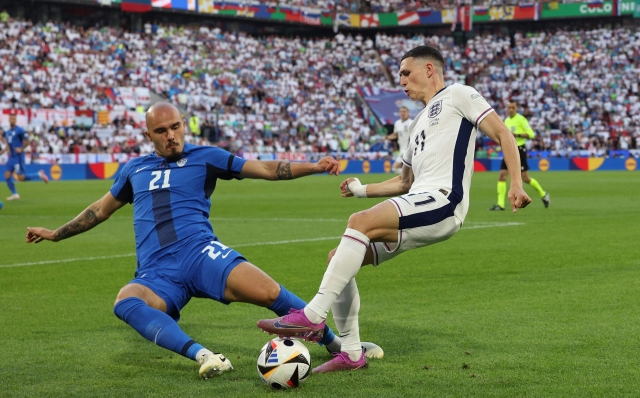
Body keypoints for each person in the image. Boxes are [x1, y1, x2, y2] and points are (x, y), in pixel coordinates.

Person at [25, 102, 381, 380]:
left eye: (176, 127)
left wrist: (314, 166)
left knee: (273, 295)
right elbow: (99, 210)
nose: (171, 136)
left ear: (184, 124)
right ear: (149, 135)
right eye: (161, 131)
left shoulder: (205, 157)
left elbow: (265, 169)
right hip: (156, 272)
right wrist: (56, 234)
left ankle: (342, 347)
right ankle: (205, 356)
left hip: (201, 255)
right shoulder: (134, 169)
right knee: (126, 302)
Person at [257, 46, 532, 374]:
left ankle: (314, 316)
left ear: (429, 69)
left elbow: (503, 133)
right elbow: (404, 183)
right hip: (419, 200)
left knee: (359, 223)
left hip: (444, 200)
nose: (400, 81)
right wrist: (363, 190)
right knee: (341, 258)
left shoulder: (459, 93)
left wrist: (515, 182)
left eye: (405, 73)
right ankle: (352, 352)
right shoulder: (415, 124)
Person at [489, 101, 549, 211]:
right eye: (509, 107)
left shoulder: (521, 119)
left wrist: (517, 135)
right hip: (508, 151)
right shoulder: (506, 120)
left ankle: (543, 194)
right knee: (502, 175)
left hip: (519, 150)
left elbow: (531, 134)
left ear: (516, 108)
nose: (511, 109)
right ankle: (500, 204)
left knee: (525, 178)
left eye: (513, 107)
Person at [3, 111, 49, 200]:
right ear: (9, 119)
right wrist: (2, 152)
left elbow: (27, 141)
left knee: (20, 177)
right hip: (11, 157)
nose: (12, 120)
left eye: (13, 118)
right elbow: (9, 145)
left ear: (15, 120)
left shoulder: (19, 130)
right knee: (7, 175)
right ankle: (15, 194)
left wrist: (21, 148)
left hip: (18, 157)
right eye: (11, 118)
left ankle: (38, 175)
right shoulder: (8, 132)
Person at [386, 106, 413, 174]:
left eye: (404, 111)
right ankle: (411, 177)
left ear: (408, 113)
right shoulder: (397, 123)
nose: (402, 113)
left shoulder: (411, 122)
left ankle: (412, 176)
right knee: (407, 168)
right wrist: (387, 137)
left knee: (395, 168)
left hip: (408, 149)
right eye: (401, 111)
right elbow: (395, 135)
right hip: (401, 149)